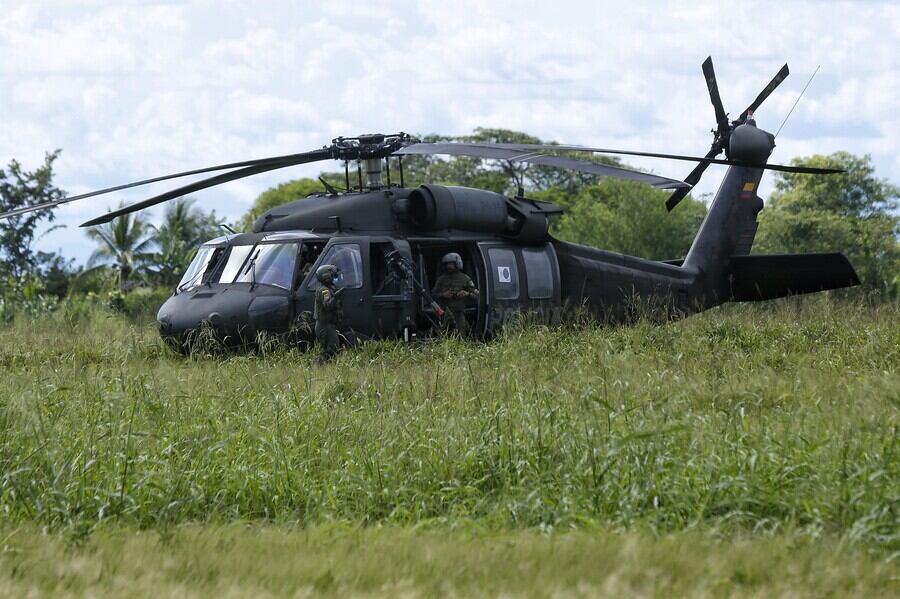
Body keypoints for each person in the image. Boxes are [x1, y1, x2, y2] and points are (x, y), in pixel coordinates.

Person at [431, 252, 478, 337]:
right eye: (447, 264)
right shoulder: (441, 279)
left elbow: (477, 296)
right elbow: (432, 295)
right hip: (443, 313)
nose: (449, 266)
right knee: (441, 335)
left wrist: (466, 293)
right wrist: (443, 294)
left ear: (457, 264)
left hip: (459, 313)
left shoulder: (465, 278)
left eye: (451, 264)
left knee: (461, 335)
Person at [312, 264, 344, 364]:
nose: (335, 279)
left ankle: (323, 368)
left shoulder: (329, 288)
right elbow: (328, 305)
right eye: (333, 276)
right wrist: (336, 297)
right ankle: (316, 366)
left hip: (328, 325)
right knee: (331, 350)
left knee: (332, 349)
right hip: (324, 326)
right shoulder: (324, 290)